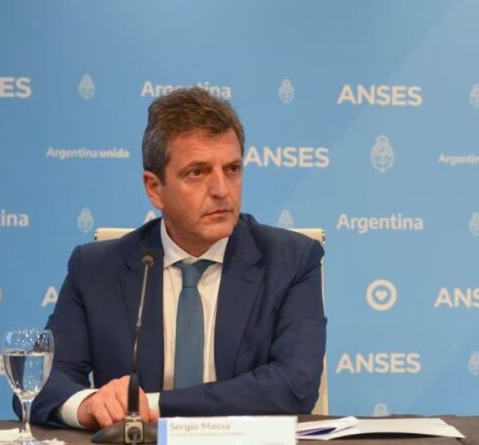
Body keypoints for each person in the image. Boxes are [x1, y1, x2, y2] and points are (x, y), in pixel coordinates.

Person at [22, 87, 326, 429]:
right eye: (198, 172)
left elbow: (295, 385)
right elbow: (41, 381)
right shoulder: (95, 269)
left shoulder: (290, 261)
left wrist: (149, 405)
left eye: (232, 169)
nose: (222, 190)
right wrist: (88, 404)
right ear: (155, 189)